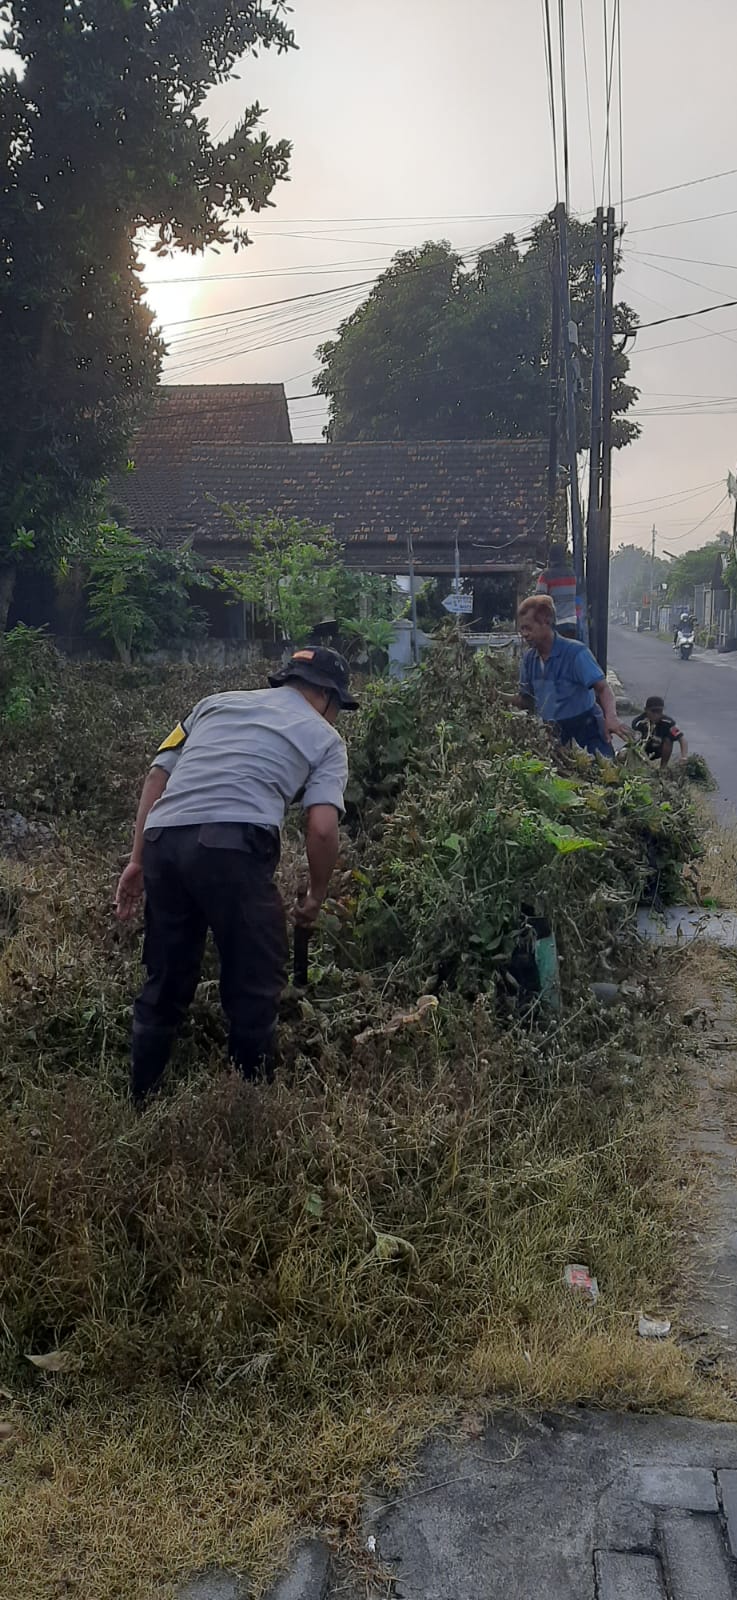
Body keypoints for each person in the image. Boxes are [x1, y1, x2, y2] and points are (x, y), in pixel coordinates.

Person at [115, 646, 358, 1103]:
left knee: (166, 975)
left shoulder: (214, 703)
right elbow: (322, 828)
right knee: (254, 980)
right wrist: (316, 895)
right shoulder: (325, 738)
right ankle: (250, 1113)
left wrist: (137, 860)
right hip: (233, 846)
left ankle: (141, 1101)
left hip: (164, 841)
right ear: (327, 696)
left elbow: (156, 776)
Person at [513, 594, 629, 757]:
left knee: (603, 775)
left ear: (546, 621)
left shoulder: (576, 653)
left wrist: (611, 717)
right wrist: (495, 696)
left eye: (528, 628)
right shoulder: (528, 660)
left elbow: (603, 689)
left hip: (586, 730)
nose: (524, 634)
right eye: (522, 629)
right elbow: (526, 700)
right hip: (553, 734)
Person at [535, 543, 578, 639]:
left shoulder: (546, 576)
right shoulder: (573, 575)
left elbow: (539, 601)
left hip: (555, 625)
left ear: (550, 558)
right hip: (573, 624)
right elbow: (578, 599)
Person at [632, 696, 688, 768]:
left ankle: (663, 768)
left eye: (659, 711)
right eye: (653, 711)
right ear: (646, 710)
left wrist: (684, 757)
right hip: (642, 750)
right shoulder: (639, 722)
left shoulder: (668, 723)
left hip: (659, 750)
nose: (656, 715)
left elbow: (682, 739)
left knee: (669, 739)